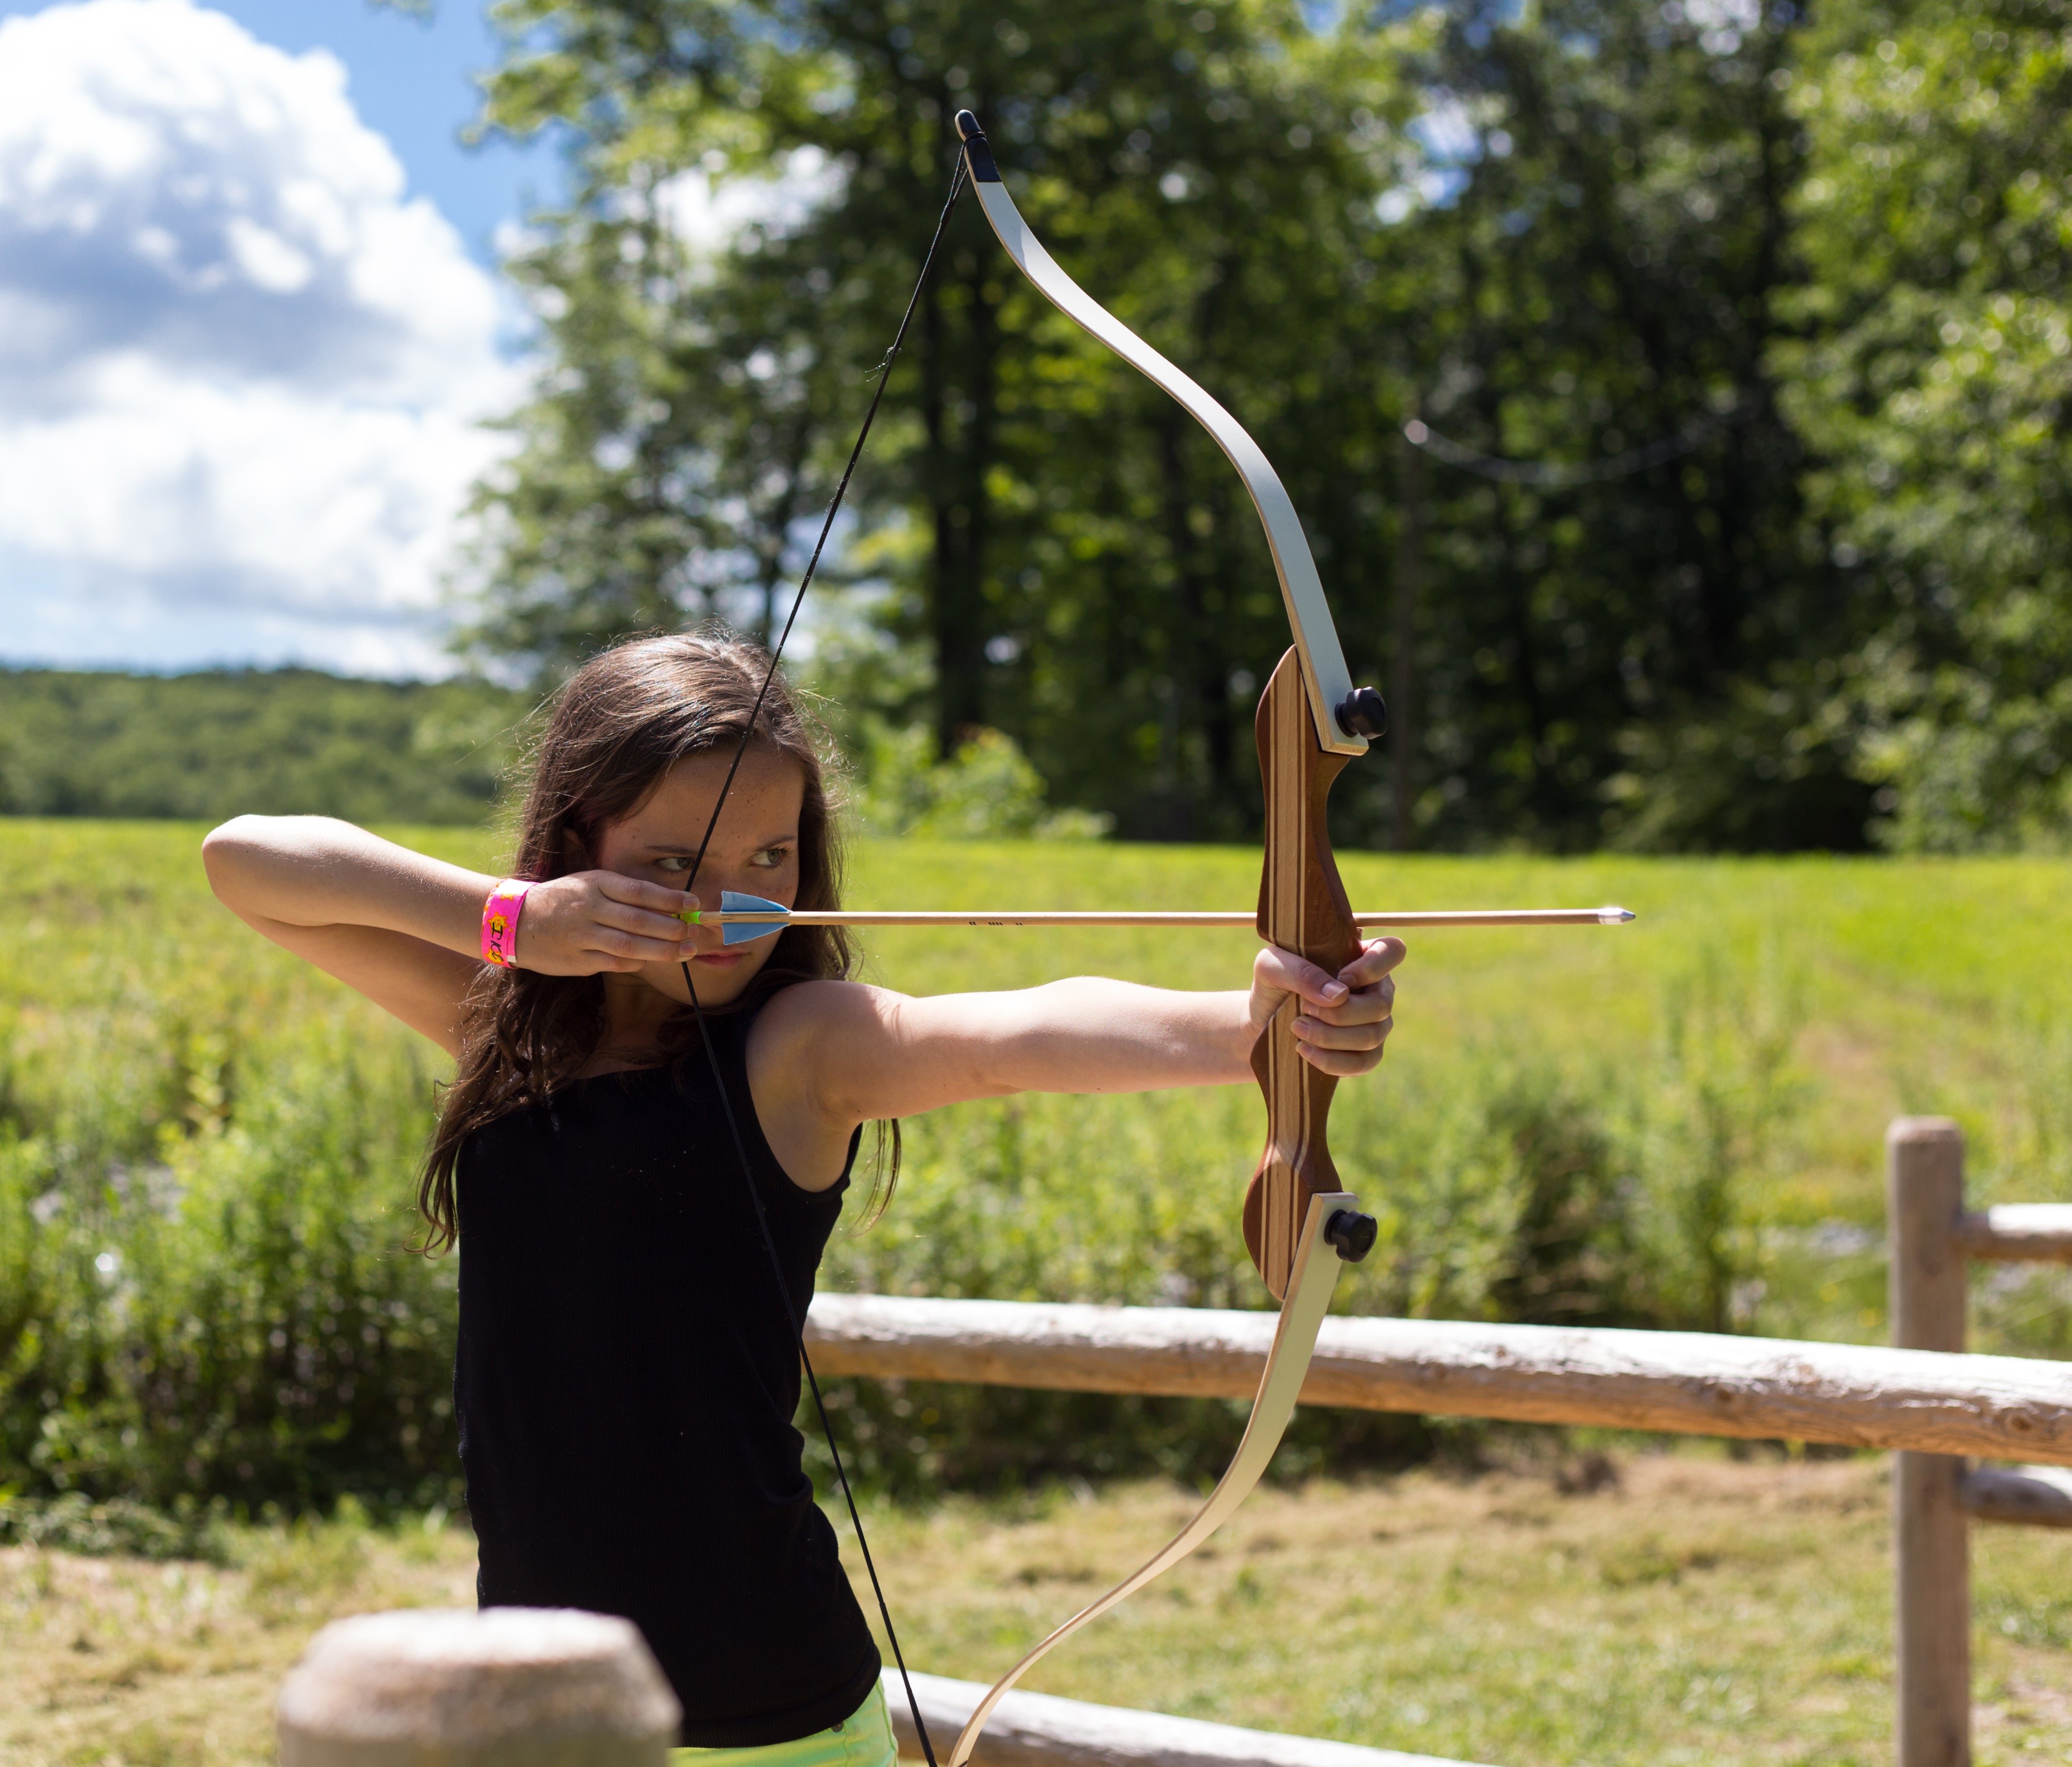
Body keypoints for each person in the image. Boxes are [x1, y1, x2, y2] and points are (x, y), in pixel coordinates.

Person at [201, 632, 1402, 1760]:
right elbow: (247, 862)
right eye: (674, 863)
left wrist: (1258, 1023)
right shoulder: (506, 1030)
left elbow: (1007, 1034)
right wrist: (506, 924)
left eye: (768, 860)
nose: (728, 903)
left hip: (763, 1695)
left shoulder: (798, 1043)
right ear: (577, 840)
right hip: (550, 1682)